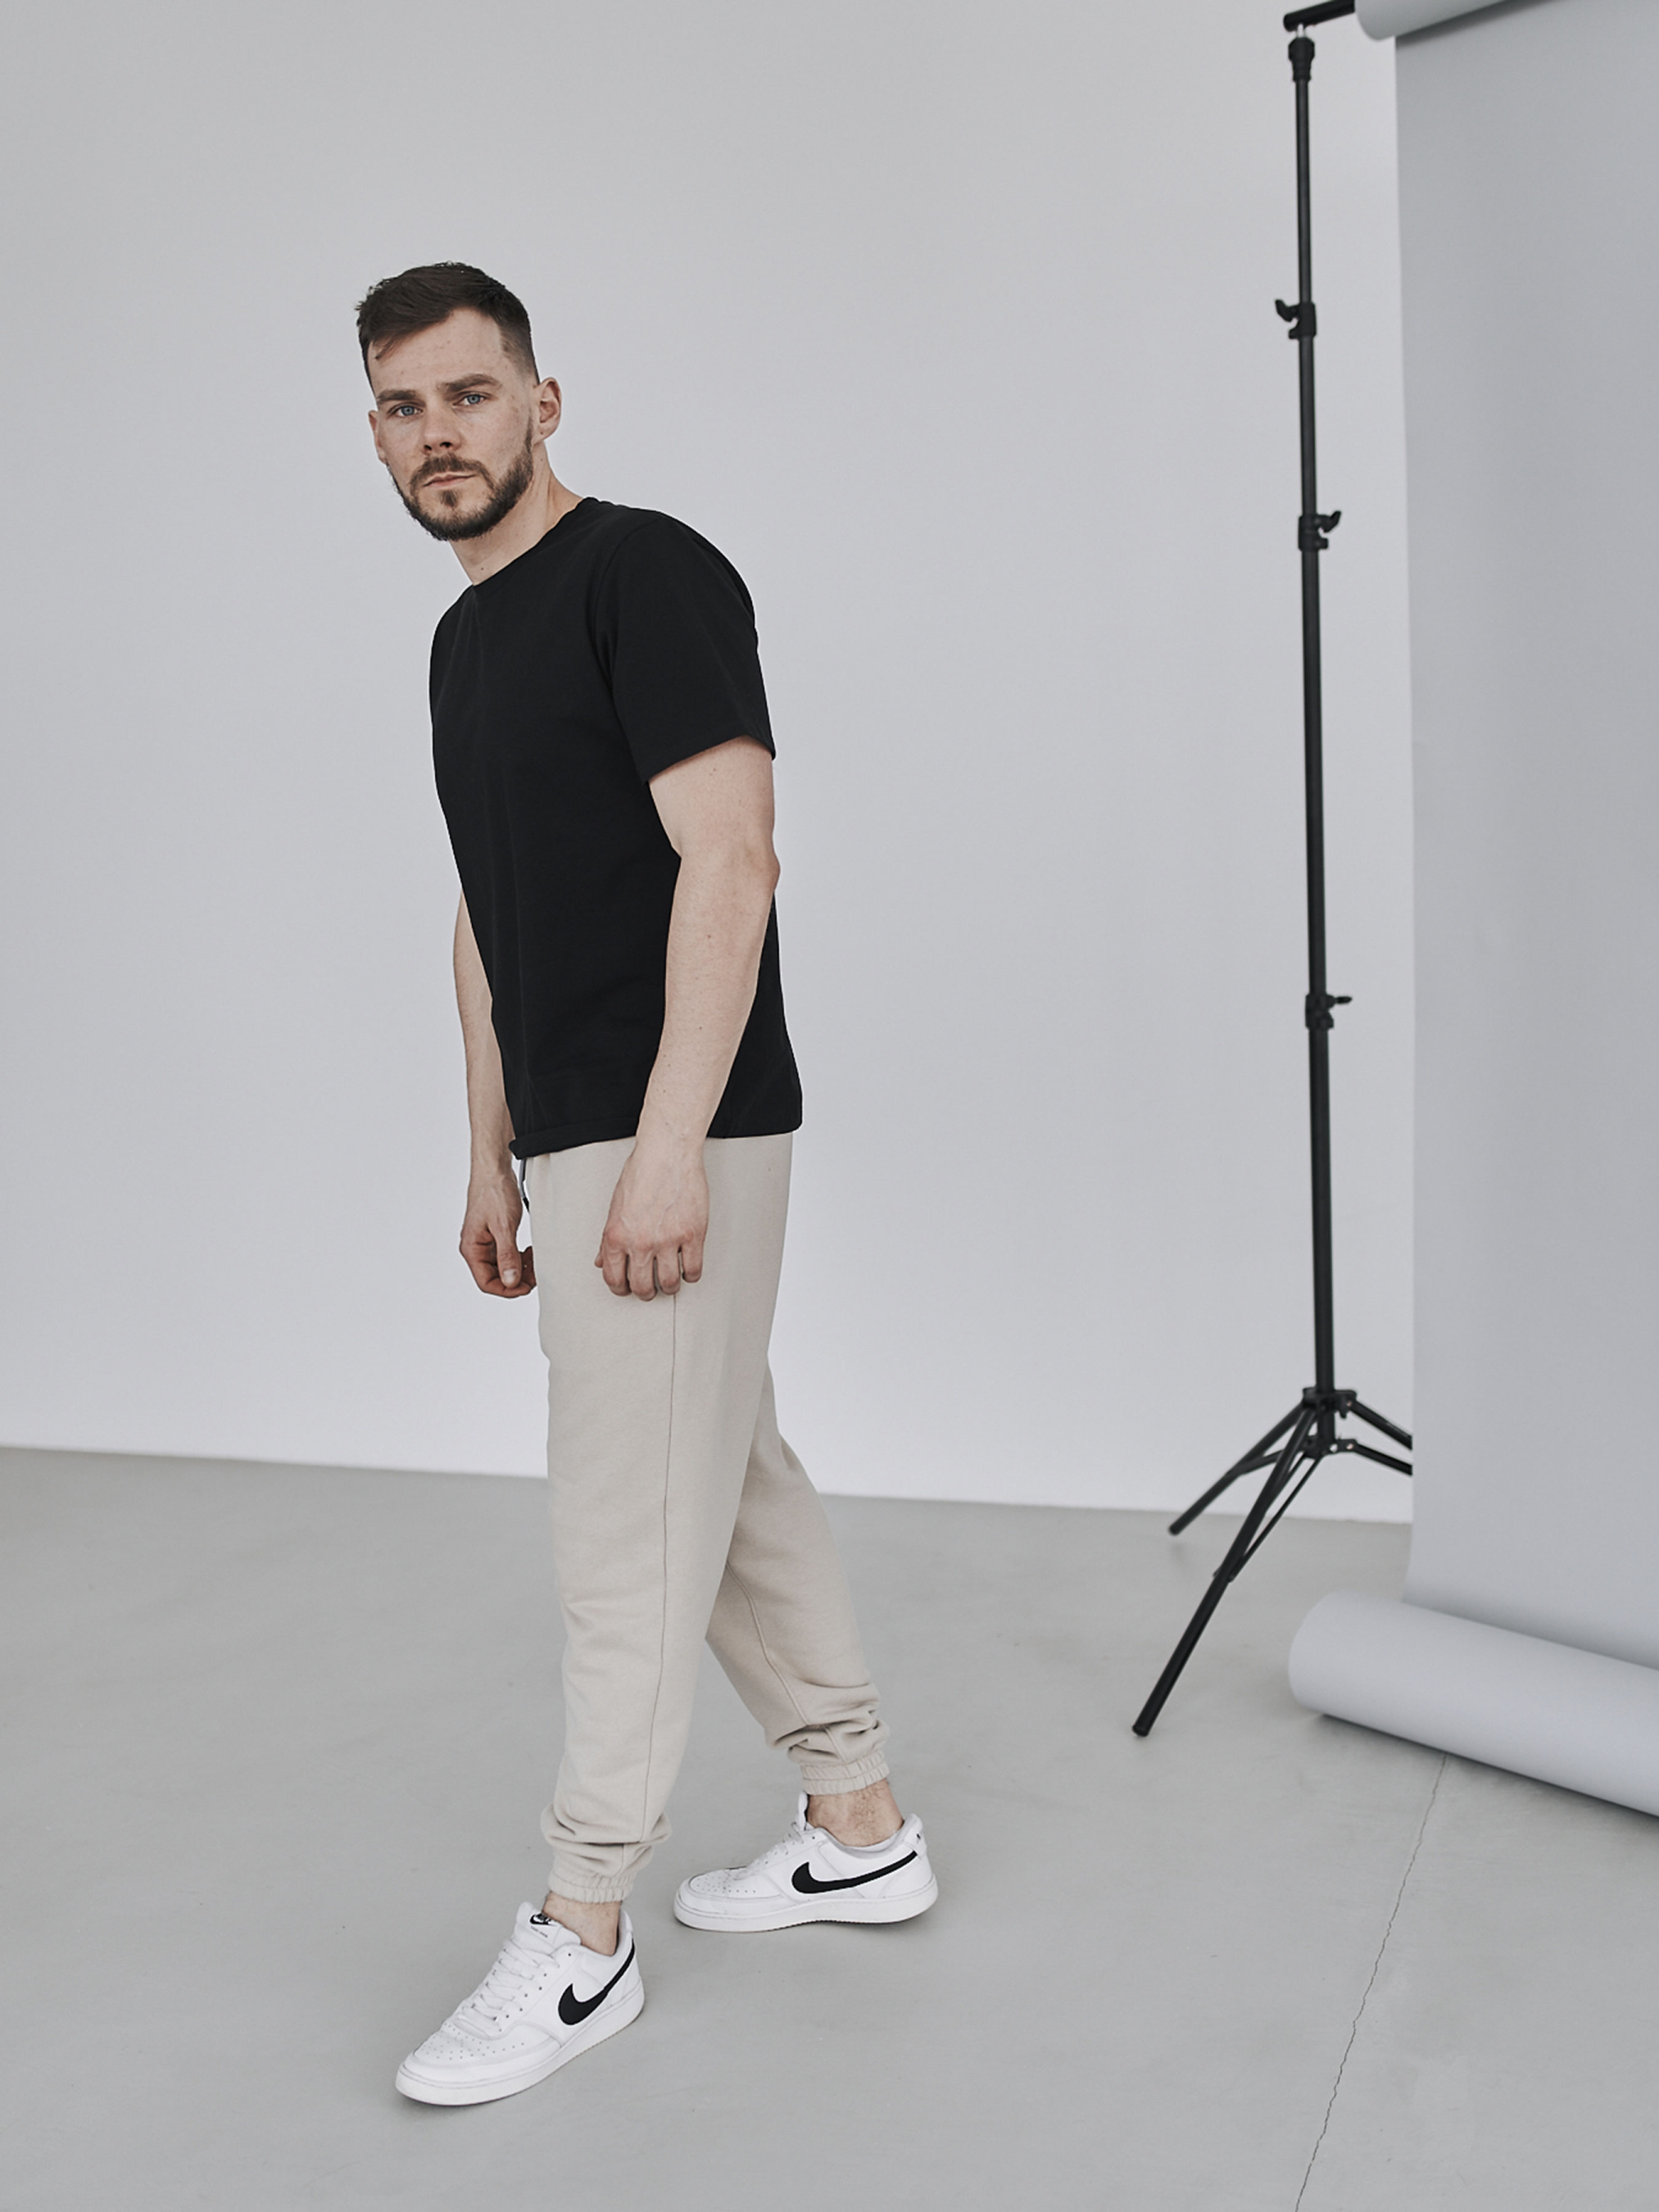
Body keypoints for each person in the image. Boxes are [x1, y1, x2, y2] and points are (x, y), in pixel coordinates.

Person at [355, 264, 936, 2108]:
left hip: (676, 1122)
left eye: (468, 395)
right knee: (728, 1483)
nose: (438, 435)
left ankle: (581, 1928)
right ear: (375, 432)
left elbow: (733, 858)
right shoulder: (464, 642)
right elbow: (488, 915)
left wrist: (666, 1146)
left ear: (542, 401)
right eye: (402, 408)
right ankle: (859, 1825)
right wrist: (489, 1144)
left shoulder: (645, 573)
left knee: (620, 1537)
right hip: (576, 1130)